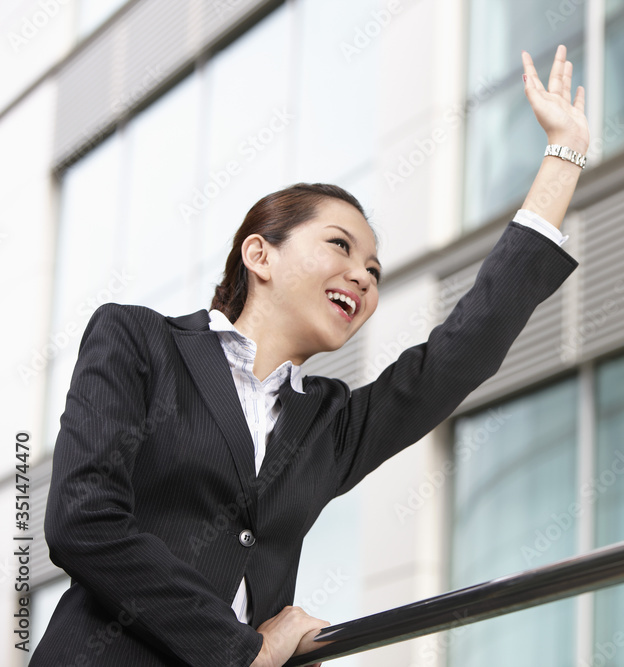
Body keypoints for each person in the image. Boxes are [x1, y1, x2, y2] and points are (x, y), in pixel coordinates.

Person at [32, 44, 589, 666]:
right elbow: (83, 522)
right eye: (340, 247)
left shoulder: (328, 424)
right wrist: (241, 651)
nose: (362, 276)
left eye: (374, 270)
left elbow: (461, 352)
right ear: (259, 254)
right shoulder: (139, 341)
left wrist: (563, 154)